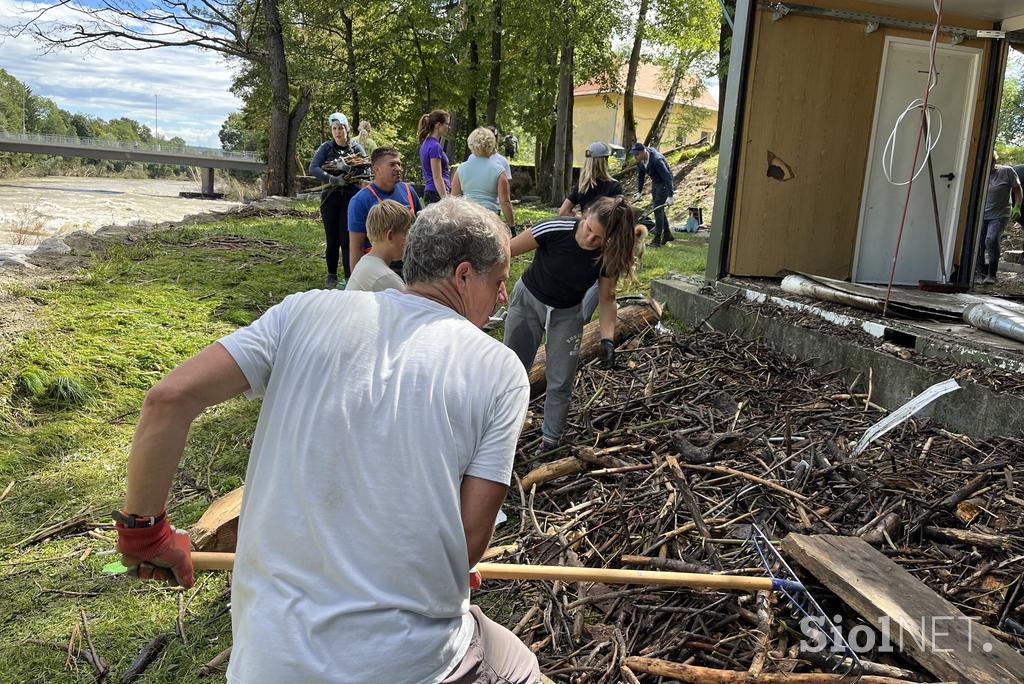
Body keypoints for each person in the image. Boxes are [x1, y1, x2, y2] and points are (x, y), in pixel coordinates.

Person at [113, 197, 542, 684]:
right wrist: (447, 574)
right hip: (409, 664)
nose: (503, 297)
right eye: (499, 281)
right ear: (464, 276)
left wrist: (144, 535)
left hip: (266, 664)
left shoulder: (301, 312)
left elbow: (168, 400)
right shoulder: (500, 369)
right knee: (520, 667)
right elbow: (467, 540)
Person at [503, 196, 637, 454]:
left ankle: (549, 443)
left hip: (568, 311)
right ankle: (502, 430)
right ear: (585, 215)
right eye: (589, 230)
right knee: (512, 369)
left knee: (561, 379)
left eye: (599, 238)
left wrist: (607, 340)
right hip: (529, 300)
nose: (590, 240)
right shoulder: (554, 228)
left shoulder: (607, 254)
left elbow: (607, 299)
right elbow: (506, 252)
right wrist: (497, 283)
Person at [309, 112, 367, 289]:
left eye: (340, 128)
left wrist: (348, 167)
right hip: (330, 198)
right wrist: (332, 179)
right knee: (332, 239)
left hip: (350, 198)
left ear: (347, 129)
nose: (338, 132)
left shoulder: (356, 149)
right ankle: (331, 276)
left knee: (347, 239)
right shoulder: (326, 148)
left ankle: (350, 276)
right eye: (334, 129)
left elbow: (364, 170)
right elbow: (313, 168)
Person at [348, 146, 422, 276]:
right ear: (377, 169)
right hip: (380, 269)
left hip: (411, 264)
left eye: (399, 164)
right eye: (392, 164)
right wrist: (358, 286)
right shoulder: (360, 200)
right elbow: (356, 247)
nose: (398, 168)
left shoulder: (408, 190)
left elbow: (421, 228)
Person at [452, 127, 515, 229]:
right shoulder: (499, 171)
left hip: (466, 218)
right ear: (491, 144)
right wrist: (512, 226)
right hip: (490, 220)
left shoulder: (461, 169)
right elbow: (505, 202)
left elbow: (454, 199)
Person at [345, 199, 410, 293]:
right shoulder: (385, 277)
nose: (409, 240)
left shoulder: (365, 262)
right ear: (390, 236)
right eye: (406, 234)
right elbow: (409, 305)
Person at [979, 152, 1023, 284]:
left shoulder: (1007, 172)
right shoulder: (979, 174)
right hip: (981, 215)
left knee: (991, 239)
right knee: (979, 244)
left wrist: (1017, 206)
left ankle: (992, 274)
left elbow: (1017, 189)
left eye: (991, 163)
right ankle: (980, 273)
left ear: (994, 162)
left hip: (1000, 214)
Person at [558, 141, 623, 216]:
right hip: (606, 227)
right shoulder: (614, 186)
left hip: (586, 227)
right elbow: (617, 216)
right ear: (605, 161)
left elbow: (563, 211)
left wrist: (582, 220)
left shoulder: (582, 185)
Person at [629, 141, 675, 247]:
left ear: (643, 151)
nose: (635, 157)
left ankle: (657, 240)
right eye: (634, 154)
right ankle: (667, 234)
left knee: (657, 209)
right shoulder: (640, 161)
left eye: (637, 154)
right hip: (656, 182)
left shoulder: (657, 160)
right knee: (659, 209)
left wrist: (670, 195)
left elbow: (667, 177)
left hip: (664, 183)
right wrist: (639, 192)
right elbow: (640, 176)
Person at [419, 109, 451, 203]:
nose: (448, 127)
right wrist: (445, 200)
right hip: (436, 193)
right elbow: (437, 177)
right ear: (438, 125)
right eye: (446, 124)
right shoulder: (435, 147)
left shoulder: (426, 143)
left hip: (432, 192)